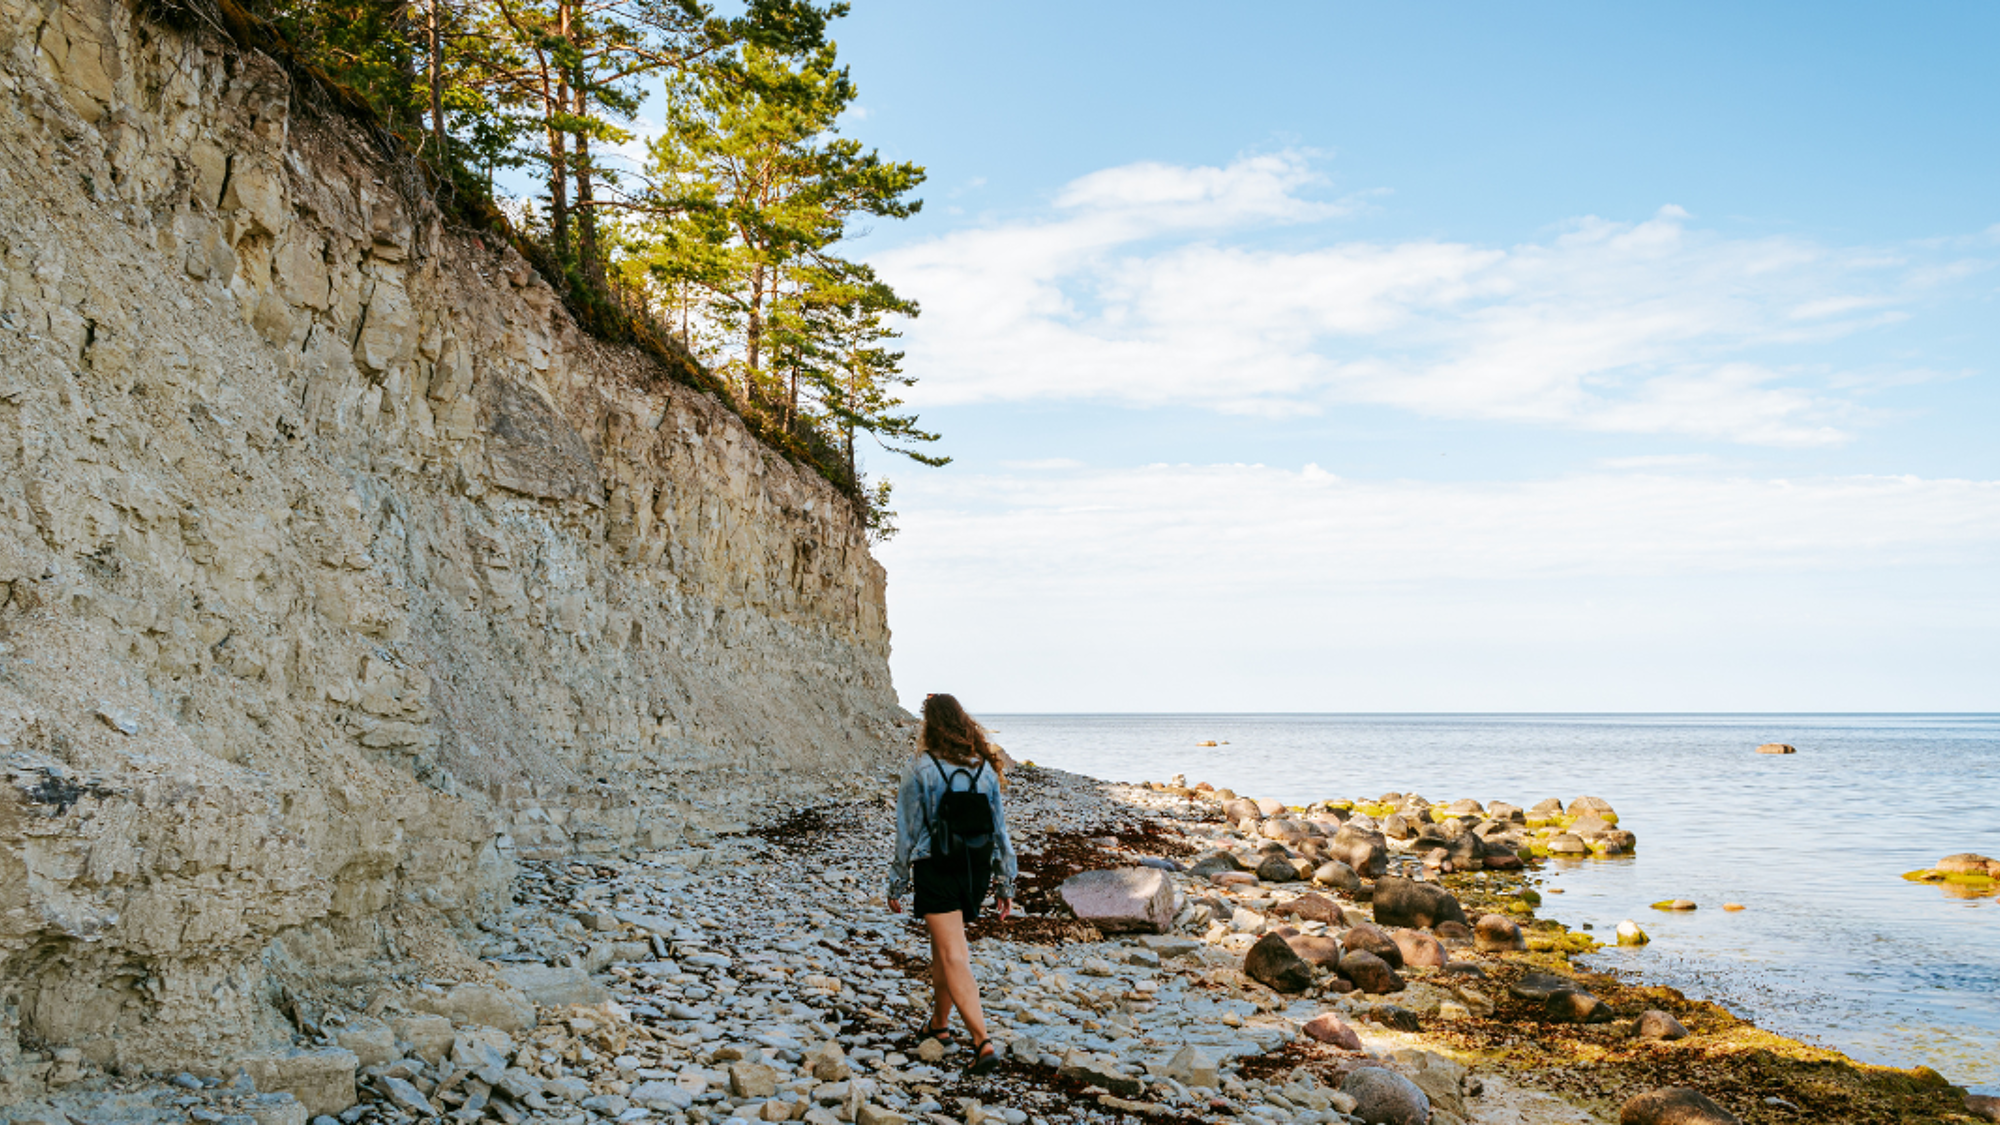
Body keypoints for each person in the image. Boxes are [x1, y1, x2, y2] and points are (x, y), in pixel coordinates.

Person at [887, 693, 1017, 1074]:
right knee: (943, 949)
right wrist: (1004, 882)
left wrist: (896, 881)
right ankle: (939, 1026)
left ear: (930, 725)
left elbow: (906, 831)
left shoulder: (921, 768)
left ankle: (982, 1042)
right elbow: (1000, 832)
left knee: (954, 954)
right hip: (974, 869)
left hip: (937, 867)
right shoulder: (984, 768)